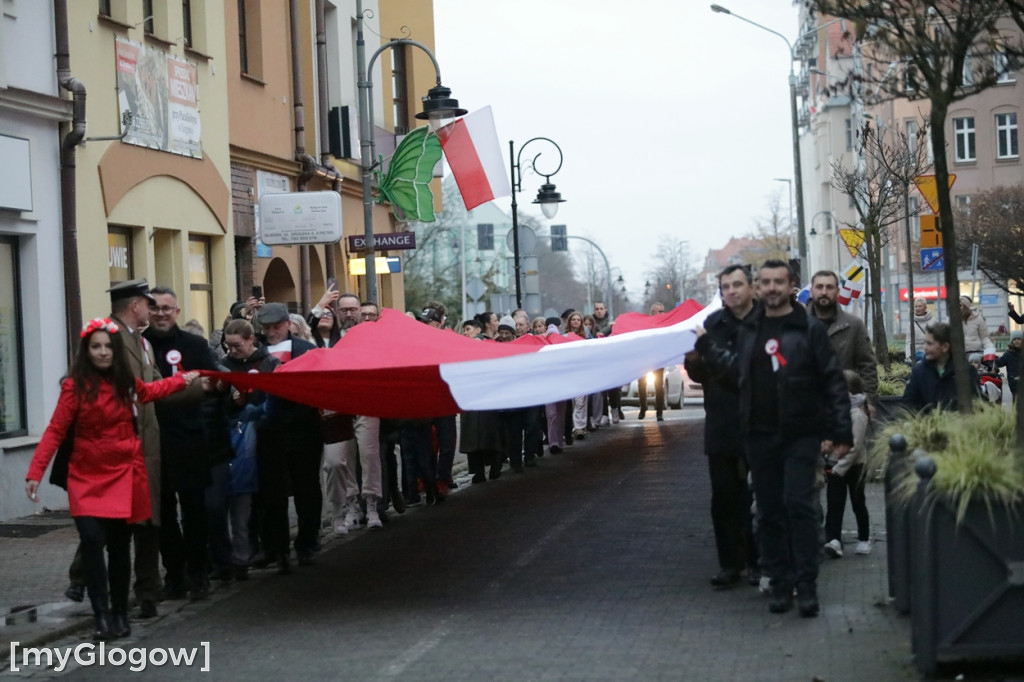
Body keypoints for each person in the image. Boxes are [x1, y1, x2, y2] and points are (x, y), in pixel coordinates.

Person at [694, 260, 853, 618]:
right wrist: (707, 348)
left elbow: (832, 380)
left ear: (791, 285)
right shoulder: (751, 329)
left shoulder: (809, 328)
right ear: (758, 287)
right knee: (768, 513)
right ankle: (780, 584)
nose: (771, 288)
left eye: (778, 281)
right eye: (765, 282)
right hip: (760, 435)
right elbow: (736, 373)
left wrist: (840, 430)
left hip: (800, 432)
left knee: (798, 506)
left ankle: (806, 585)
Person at [26, 318, 197, 640]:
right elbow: (56, 430)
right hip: (86, 475)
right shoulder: (74, 387)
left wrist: (181, 381)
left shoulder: (126, 382)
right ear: (87, 351)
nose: (103, 352)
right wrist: (35, 472)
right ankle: (101, 616)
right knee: (92, 540)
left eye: (107, 346)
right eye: (96, 347)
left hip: (124, 472)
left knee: (119, 547)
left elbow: (152, 390)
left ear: (115, 350)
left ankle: (119, 614)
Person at [684, 264, 759, 589]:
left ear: (751, 287)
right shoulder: (712, 324)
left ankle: (758, 560)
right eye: (725, 287)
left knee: (757, 496)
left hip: (759, 421)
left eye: (737, 284)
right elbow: (704, 374)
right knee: (724, 497)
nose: (731, 291)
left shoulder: (766, 322)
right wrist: (694, 362)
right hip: (722, 422)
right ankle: (730, 563)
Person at [143, 287, 221, 601]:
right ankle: (174, 575)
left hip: (190, 438)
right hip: (154, 440)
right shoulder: (140, 345)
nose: (160, 314)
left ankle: (198, 573)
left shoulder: (195, 345)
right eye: (154, 308)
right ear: (146, 311)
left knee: (195, 511)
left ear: (176, 311)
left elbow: (212, 385)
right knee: (162, 514)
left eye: (166, 308)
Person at [255, 302, 323, 571]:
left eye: (276, 327)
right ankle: (278, 548)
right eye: (267, 328)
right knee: (272, 494)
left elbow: (314, 388)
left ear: (287, 325)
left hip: (303, 430)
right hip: (269, 433)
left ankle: (307, 543)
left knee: (307, 490)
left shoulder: (305, 350)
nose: (271, 333)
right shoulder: (258, 353)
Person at [807, 271, 878, 405]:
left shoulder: (853, 325)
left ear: (838, 292)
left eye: (829, 287)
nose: (824, 292)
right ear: (811, 291)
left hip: (845, 404)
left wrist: (867, 401)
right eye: (819, 287)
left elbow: (867, 366)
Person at [824, 370, 872, 559]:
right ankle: (833, 539)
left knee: (858, 502)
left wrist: (839, 467)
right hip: (834, 463)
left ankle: (864, 538)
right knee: (834, 504)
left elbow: (855, 445)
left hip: (853, 466)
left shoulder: (857, 414)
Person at [903, 322, 981, 412]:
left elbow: (978, 402)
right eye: (925, 343)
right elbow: (908, 403)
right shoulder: (919, 371)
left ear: (945, 347)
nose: (925, 347)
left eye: (929, 344)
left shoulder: (966, 371)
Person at [638, 302, 666, 421]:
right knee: (641, 384)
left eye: (663, 311)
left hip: (658, 359)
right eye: (660, 311)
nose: (663, 313)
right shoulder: (645, 324)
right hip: (644, 359)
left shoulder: (665, 324)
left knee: (658, 386)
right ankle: (643, 407)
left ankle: (659, 413)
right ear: (653, 312)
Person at [996, 330, 1022, 401]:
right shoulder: (1008, 354)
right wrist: (994, 360)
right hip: (1014, 381)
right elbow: (1000, 362)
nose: (1016, 341)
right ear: (1011, 341)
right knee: (1016, 399)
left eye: (1019, 339)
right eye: (1014, 339)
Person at [905, 297, 933, 361]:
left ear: (925, 307)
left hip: (930, 354)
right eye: (916, 306)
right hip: (915, 356)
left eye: (920, 306)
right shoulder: (911, 323)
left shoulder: (933, 321)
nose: (918, 308)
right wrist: (908, 356)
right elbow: (908, 341)